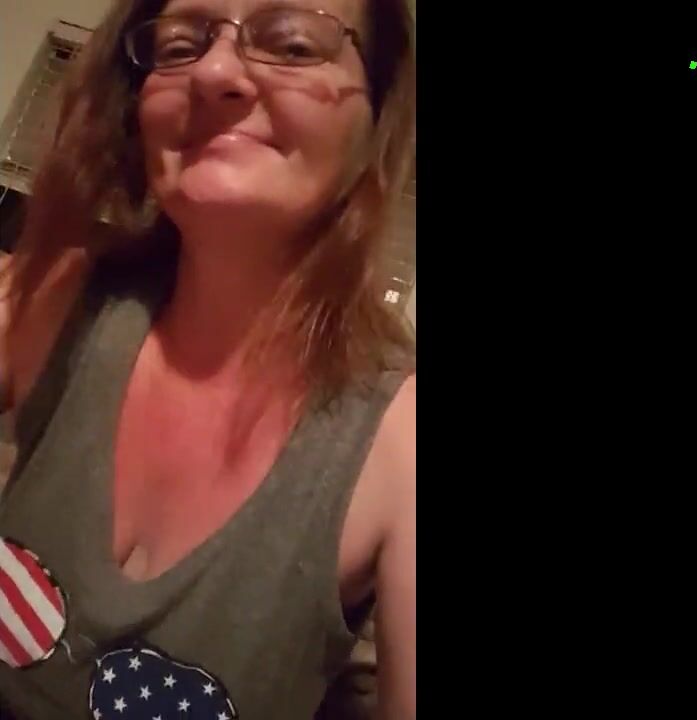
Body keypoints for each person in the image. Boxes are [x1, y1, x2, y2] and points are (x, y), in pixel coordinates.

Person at [0, 0, 415, 717]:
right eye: (179, 45)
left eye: (293, 46)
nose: (215, 70)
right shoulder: (54, 293)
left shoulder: (403, 445)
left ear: (374, 117)